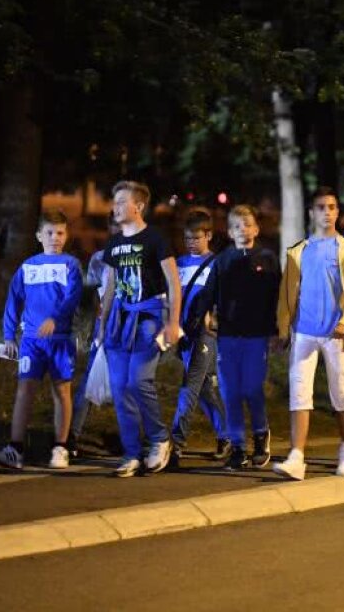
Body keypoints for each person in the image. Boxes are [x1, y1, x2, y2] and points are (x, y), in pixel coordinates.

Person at [273, 187, 344, 480]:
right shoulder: (298, 251)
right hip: (303, 332)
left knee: (340, 394)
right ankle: (297, 457)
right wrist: (282, 329)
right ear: (312, 213)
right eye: (320, 207)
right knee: (299, 394)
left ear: (338, 212)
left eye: (331, 207)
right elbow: (286, 294)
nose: (326, 212)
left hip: (336, 335)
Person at [98, 180, 183, 478]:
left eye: (122, 201)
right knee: (120, 387)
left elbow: (173, 282)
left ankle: (159, 439)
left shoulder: (155, 238)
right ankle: (131, 452)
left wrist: (173, 322)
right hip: (120, 321)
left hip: (149, 317)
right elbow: (109, 287)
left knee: (138, 380)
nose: (116, 207)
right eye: (114, 201)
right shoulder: (113, 244)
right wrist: (101, 324)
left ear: (139, 206)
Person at [186, 205, 280, 470]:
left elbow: (276, 297)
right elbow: (209, 291)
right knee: (230, 392)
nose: (243, 230)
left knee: (251, 388)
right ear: (229, 232)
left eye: (248, 225)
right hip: (227, 334)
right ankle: (238, 446)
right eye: (237, 226)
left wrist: (277, 330)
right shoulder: (223, 260)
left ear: (256, 229)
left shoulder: (267, 258)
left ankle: (261, 435)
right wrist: (200, 315)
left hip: (256, 335)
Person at [0, 210, 84, 470]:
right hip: (31, 340)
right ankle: (15, 449)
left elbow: (73, 296)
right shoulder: (28, 267)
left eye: (60, 233)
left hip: (61, 340)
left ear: (67, 235)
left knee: (61, 391)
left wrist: (56, 318)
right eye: (50, 233)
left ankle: (60, 448)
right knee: (24, 391)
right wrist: (9, 336)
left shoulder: (71, 265)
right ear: (39, 235)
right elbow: (14, 300)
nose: (55, 238)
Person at [168, 208, 228, 466]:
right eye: (188, 238)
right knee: (205, 389)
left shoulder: (217, 264)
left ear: (209, 236)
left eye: (197, 237)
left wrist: (215, 318)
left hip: (206, 334)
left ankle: (175, 444)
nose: (192, 242)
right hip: (183, 335)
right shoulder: (178, 264)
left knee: (189, 386)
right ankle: (229, 436)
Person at [68, 219, 119, 457]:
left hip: (128, 324)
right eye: (115, 225)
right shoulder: (100, 258)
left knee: (127, 384)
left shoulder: (140, 256)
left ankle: (127, 437)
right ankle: (71, 436)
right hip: (104, 325)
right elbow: (94, 295)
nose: (119, 230)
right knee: (90, 380)